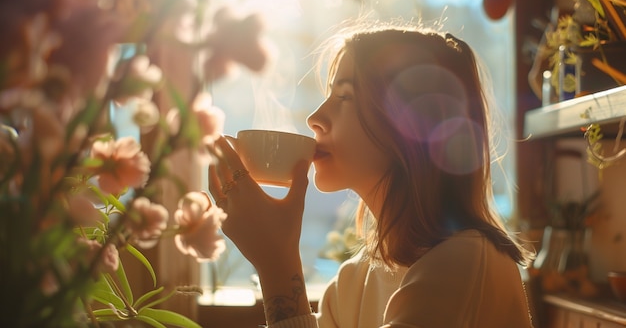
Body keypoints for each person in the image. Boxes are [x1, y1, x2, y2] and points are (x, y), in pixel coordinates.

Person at [208, 22, 535, 328]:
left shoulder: (463, 264)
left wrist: (276, 263)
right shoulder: (355, 279)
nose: (314, 118)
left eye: (344, 96)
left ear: (410, 125)